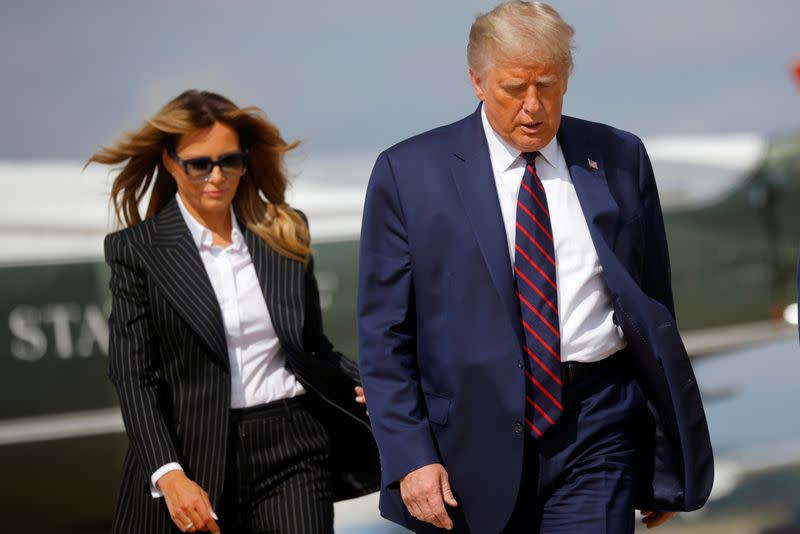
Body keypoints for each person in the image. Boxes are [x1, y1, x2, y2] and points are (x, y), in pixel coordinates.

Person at [357, 2, 713, 533]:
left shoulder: (619, 156)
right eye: (512, 88)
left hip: (598, 425)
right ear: (477, 82)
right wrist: (410, 455)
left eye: (547, 85)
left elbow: (652, 307)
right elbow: (383, 335)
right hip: (468, 444)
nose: (533, 106)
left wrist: (658, 454)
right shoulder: (409, 174)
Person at [90, 90, 379, 534]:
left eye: (230, 160)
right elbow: (133, 375)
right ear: (170, 162)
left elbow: (311, 348)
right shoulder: (137, 251)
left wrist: (374, 385)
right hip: (193, 454)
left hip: (294, 446)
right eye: (199, 163)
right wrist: (169, 474)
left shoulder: (284, 230)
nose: (217, 175)